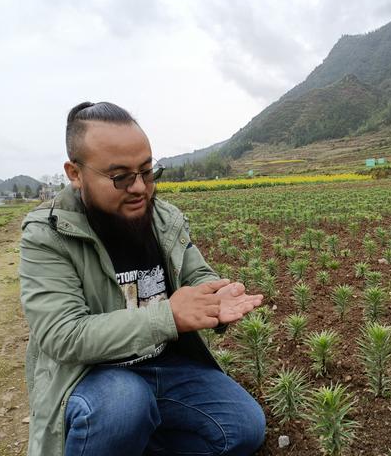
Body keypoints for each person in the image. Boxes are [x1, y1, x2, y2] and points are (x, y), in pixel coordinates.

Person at [19, 101, 266, 456]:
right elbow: (63, 335)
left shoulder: (163, 217)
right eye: (120, 177)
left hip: (164, 364)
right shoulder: (49, 234)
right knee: (124, 405)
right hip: (90, 379)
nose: (139, 188)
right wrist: (168, 317)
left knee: (243, 427)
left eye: (147, 172)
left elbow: (195, 272)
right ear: (75, 173)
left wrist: (215, 293)